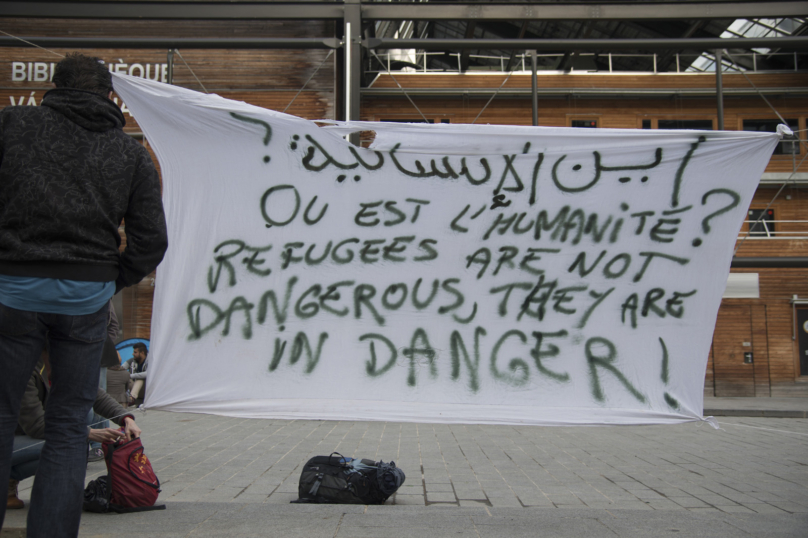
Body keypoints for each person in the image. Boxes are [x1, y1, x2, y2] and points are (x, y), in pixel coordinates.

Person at [0, 52, 167, 537]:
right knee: (70, 425)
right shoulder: (129, 152)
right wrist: (108, 281)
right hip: (85, 298)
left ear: (56, 86)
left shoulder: (12, 125)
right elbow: (151, 240)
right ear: (110, 95)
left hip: (12, 291)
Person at [8, 361, 142, 509]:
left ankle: (17, 482)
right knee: (67, 444)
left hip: (24, 439)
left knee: (78, 433)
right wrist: (87, 432)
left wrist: (126, 418)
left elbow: (97, 396)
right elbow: (36, 425)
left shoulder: (65, 363)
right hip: (10, 440)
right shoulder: (25, 370)